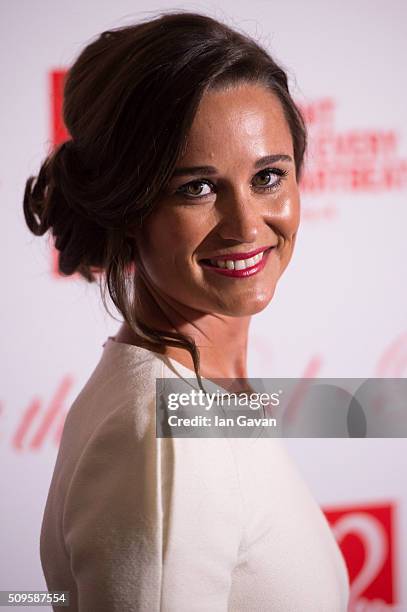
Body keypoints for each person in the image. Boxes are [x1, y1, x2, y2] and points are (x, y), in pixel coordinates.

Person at [23, 10, 350, 611]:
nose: (247, 226)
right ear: (130, 207)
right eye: (196, 188)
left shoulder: (195, 399)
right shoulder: (167, 439)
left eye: (268, 176)